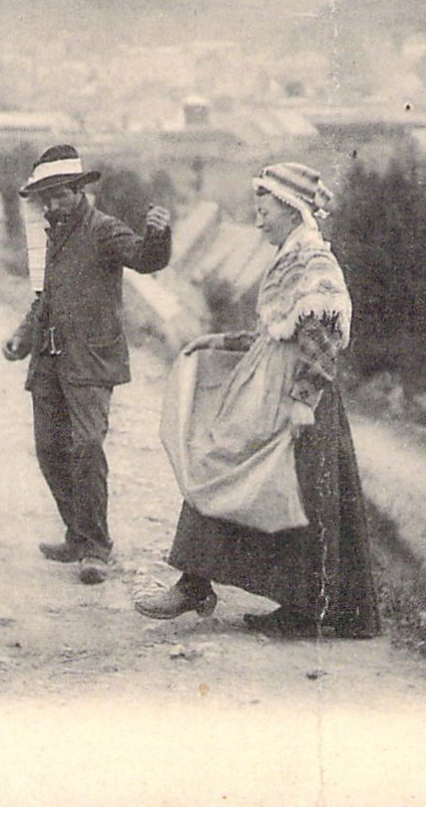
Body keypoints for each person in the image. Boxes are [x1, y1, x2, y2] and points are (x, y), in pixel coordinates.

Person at [137, 162, 380, 638]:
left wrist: (303, 400)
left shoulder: (315, 263)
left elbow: (325, 332)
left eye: (264, 209)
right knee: (235, 471)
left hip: (296, 397)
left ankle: (297, 608)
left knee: (290, 493)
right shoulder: (289, 258)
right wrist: (220, 342)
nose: (258, 220)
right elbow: (274, 330)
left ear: (290, 211)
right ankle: (198, 582)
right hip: (272, 386)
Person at [3, 145, 173, 585]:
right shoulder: (50, 234)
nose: (53, 205)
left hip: (91, 362)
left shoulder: (103, 230)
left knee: (87, 447)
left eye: (60, 195)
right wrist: (23, 336)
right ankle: (77, 535)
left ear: (79, 190)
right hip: (49, 361)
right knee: (48, 451)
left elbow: (147, 259)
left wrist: (159, 235)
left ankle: (96, 548)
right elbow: (45, 296)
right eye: (46, 197)